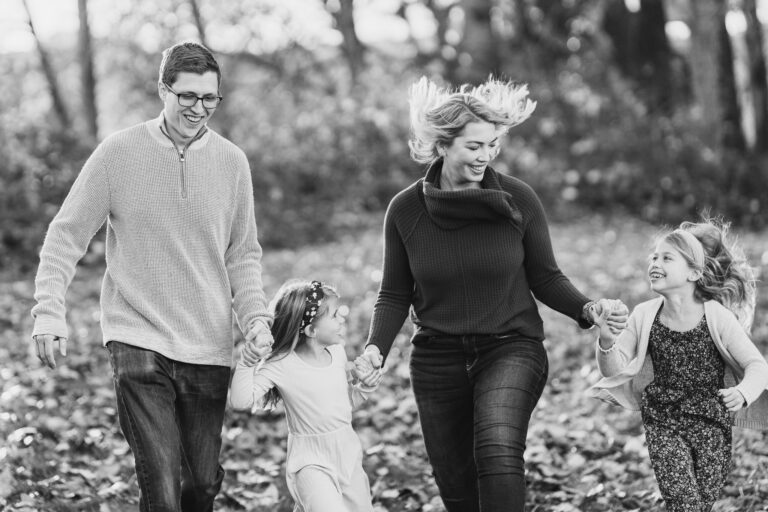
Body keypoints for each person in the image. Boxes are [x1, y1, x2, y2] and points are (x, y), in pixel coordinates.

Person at [357, 76, 628, 512]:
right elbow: (393, 293)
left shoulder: (518, 199)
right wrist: (375, 349)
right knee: (457, 488)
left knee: (497, 450)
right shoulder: (405, 210)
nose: (485, 156)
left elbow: (546, 277)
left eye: (492, 145)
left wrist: (587, 308)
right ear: (442, 145)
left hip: (511, 347)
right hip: (436, 358)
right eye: (474, 146)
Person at [30, 41, 274, 512]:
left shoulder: (232, 163)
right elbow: (66, 234)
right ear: (163, 90)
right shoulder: (118, 153)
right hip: (136, 335)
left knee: (199, 486)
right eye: (187, 96)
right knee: (161, 486)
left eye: (209, 98)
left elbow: (242, 255)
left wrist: (256, 319)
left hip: (207, 343)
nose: (198, 108)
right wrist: (49, 311)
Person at [590, 219, 768, 511]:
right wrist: (607, 340)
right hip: (664, 420)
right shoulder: (644, 315)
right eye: (654, 257)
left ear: (694, 273)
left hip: (712, 424)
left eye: (666, 258)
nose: (655, 263)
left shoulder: (717, 316)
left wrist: (743, 392)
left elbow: (757, 366)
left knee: (700, 503)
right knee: (683, 501)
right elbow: (614, 371)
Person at [230, 280, 382, 512]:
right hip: (310, 462)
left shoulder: (337, 353)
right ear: (311, 331)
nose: (342, 318)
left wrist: (363, 386)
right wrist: (247, 362)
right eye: (334, 315)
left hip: (348, 455)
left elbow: (342, 405)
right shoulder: (281, 364)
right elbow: (240, 401)